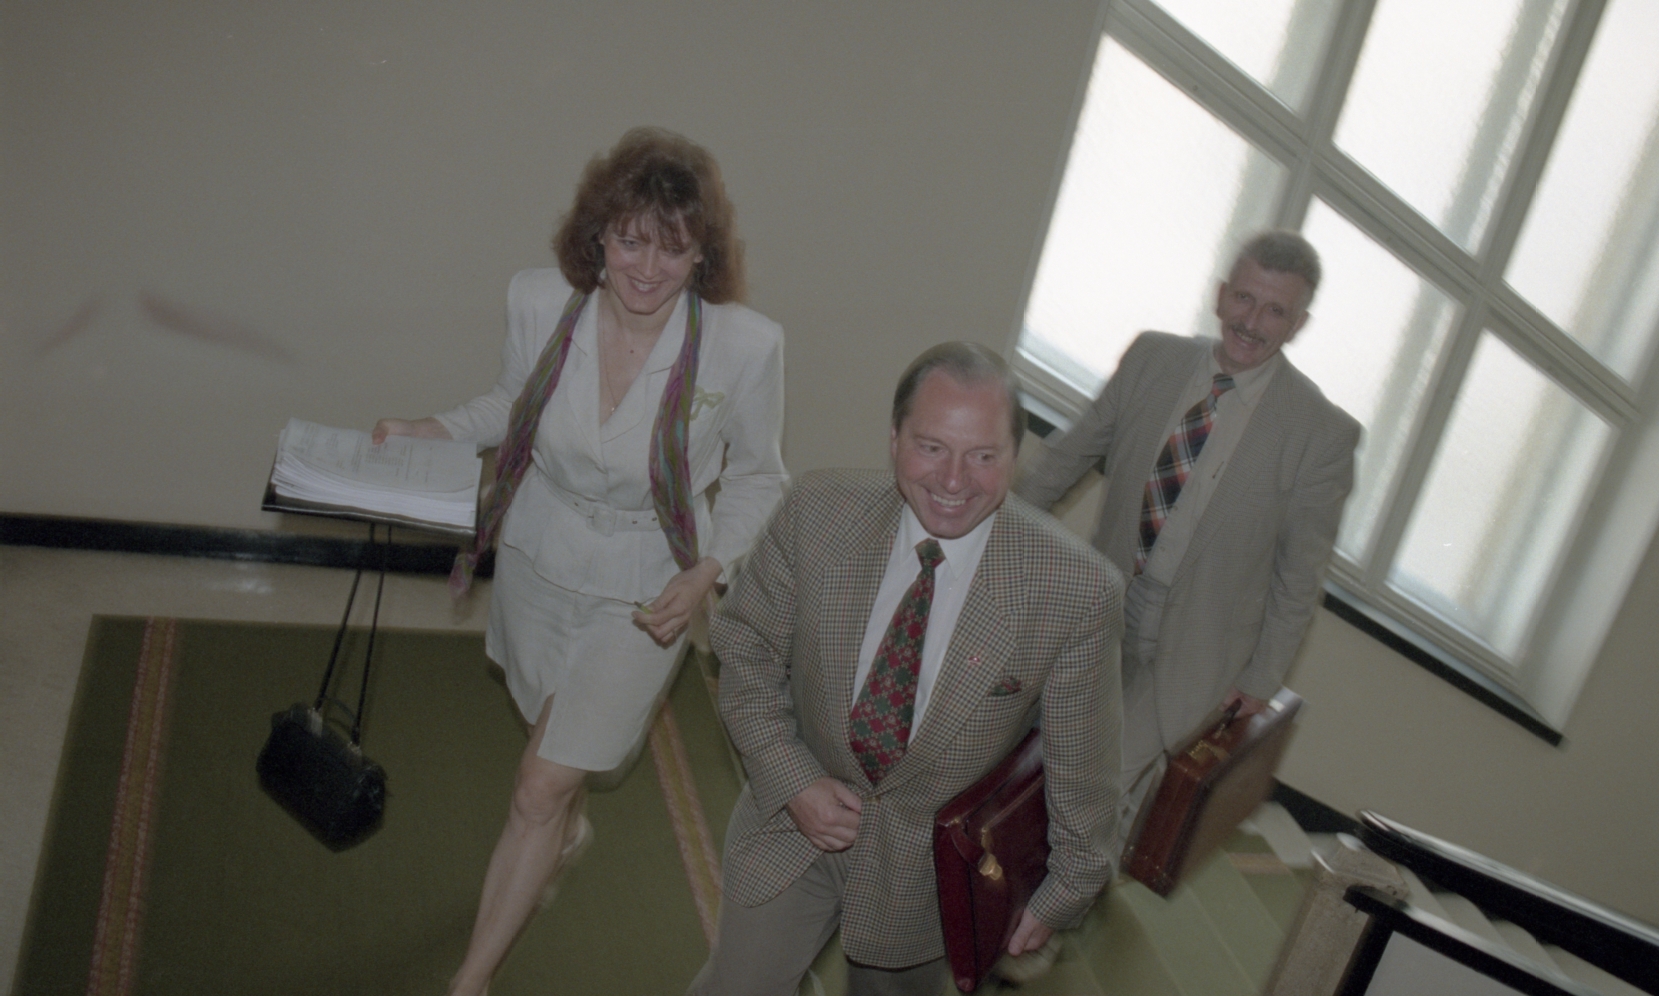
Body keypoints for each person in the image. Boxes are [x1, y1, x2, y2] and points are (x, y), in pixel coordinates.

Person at [374, 127, 786, 996]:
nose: (647, 269)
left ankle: (469, 981)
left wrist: (709, 568)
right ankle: (560, 828)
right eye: (630, 241)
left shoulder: (745, 346)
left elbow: (757, 476)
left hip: (648, 588)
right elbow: (508, 402)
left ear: (702, 254)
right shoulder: (538, 301)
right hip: (539, 553)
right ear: (597, 236)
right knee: (547, 750)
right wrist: (428, 431)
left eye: (672, 249)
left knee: (536, 784)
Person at [692, 343, 1122, 996]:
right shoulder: (817, 511)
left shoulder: (1074, 591)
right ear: (894, 440)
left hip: (932, 879)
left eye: (983, 456)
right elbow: (744, 647)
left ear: (1014, 456)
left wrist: (1063, 892)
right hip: (794, 821)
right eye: (931, 447)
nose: (953, 480)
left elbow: (1082, 763)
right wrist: (793, 779)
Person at [1015, 230, 1359, 838]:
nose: (1251, 322)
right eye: (1244, 299)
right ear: (1221, 294)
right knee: (1043, 757)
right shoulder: (1153, 358)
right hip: (1106, 607)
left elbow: (1300, 574)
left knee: (1096, 785)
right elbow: (1069, 456)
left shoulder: (1320, 433)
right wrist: (989, 531)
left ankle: (1060, 889)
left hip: (1199, 649)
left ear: (1298, 324)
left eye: (1275, 311)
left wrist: (1261, 680)